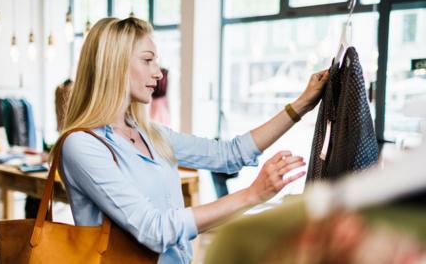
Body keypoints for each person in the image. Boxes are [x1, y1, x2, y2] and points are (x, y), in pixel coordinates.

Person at [57, 17, 329, 264]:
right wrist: (251, 194)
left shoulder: (151, 134)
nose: (158, 73)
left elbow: (228, 154)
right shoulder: (82, 145)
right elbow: (155, 230)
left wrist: (301, 105)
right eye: (147, 60)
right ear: (115, 65)